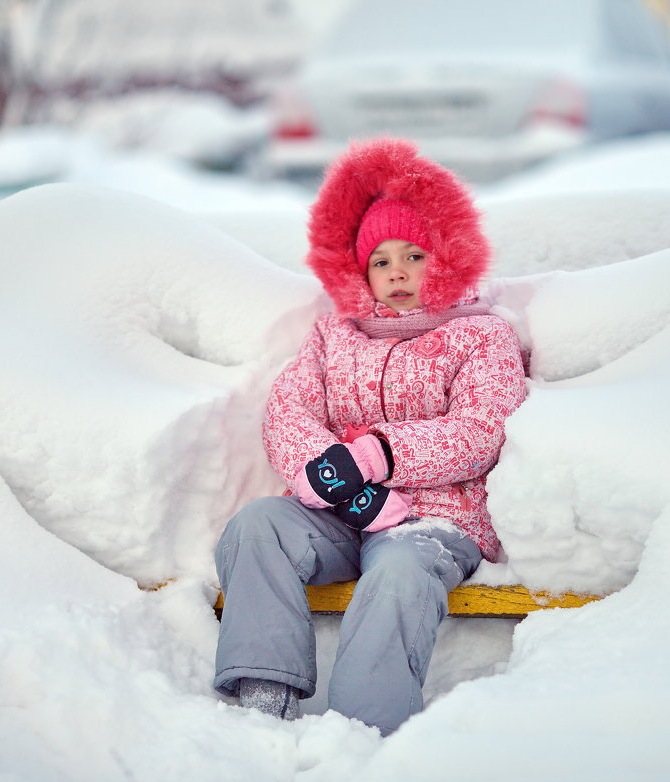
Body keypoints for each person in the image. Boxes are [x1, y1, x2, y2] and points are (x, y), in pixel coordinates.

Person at [212, 137, 528, 735]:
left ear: (445, 257)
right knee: (258, 526)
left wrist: (377, 456)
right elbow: (289, 410)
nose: (398, 273)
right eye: (381, 262)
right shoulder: (335, 336)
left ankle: (362, 731)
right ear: (360, 273)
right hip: (343, 514)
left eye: (414, 255)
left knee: (401, 573)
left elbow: (480, 432)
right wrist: (336, 480)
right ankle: (262, 695)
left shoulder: (480, 336)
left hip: (435, 518)